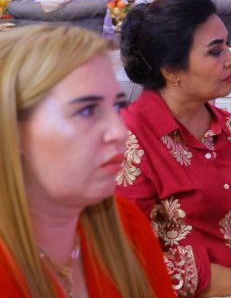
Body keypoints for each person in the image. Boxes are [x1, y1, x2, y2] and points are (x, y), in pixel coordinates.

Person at [117, 0, 231, 296]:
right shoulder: (129, 144)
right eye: (215, 51)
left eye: (227, 45)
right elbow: (129, 260)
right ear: (170, 70)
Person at [0, 25, 175, 296]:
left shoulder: (127, 228)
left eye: (118, 106)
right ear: (13, 130)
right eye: (87, 110)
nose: (119, 131)